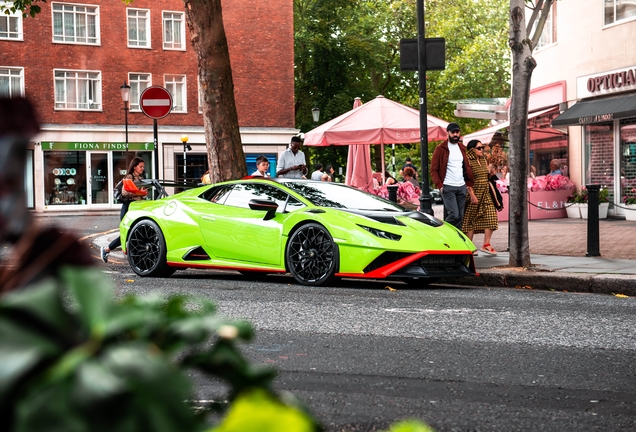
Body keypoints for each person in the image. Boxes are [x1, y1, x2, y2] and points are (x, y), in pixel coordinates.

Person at [101, 157, 148, 263]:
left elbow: (139, 195)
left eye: (143, 167)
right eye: (140, 166)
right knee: (126, 234)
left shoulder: (140, 178)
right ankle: (106, 249)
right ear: (135, 167)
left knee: (137, 233)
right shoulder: (129, 177)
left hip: (136, 208)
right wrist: (139, 192)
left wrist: (144, 193)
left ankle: (137, 257)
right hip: (128, 208)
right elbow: (125, 193)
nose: (142, 168)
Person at [431, 122, 474, 230]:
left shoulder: (462, 148)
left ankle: (456, 242)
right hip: (448, 186)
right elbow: (433, 169)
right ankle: (439, 231)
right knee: (454, 215)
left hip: (461, 186)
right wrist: (440, 185)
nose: (455, 134)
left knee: (460, 217)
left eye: (457, 132)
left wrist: (467, 184)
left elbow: (466, 167)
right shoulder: (440, 148)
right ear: (448, 133)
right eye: (453, 132)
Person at [462, 140, 498, 256]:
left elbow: (484, 175)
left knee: (491, 215)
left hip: (485, 191)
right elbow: (466, 179)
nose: (481, 150)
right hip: (474, 191)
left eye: (482, 147)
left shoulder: (483, 159)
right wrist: (471, 194)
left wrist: (491, 174)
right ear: (472, 149)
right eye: (479, 148)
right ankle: (469, 246)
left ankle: (486, 244)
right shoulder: (467, 160)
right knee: (470, 219)